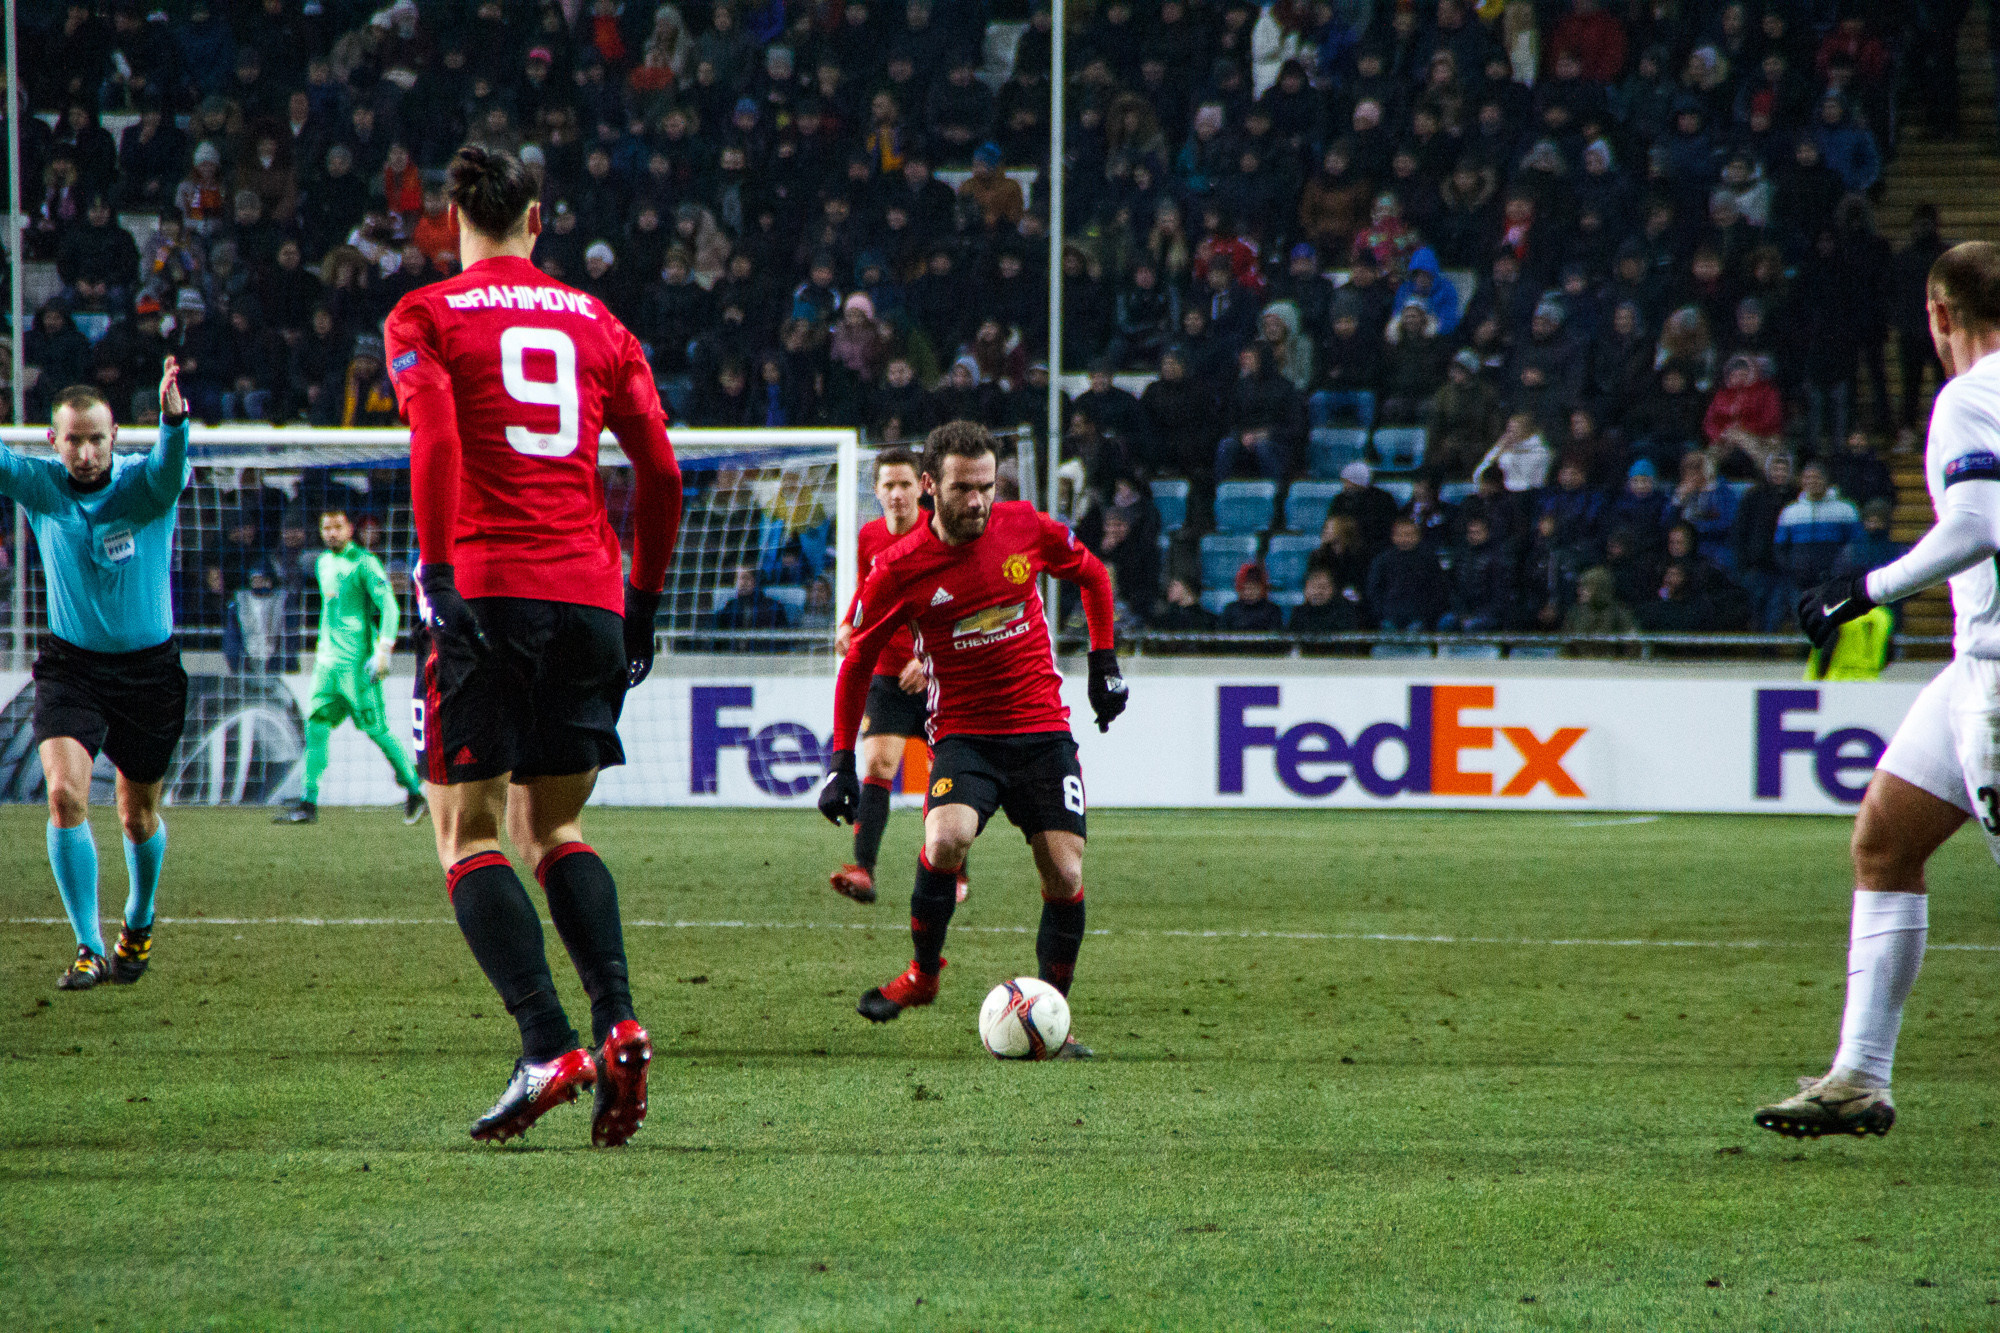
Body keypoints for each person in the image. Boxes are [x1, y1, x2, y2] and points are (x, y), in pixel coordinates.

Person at [383, 146, 685, 1147]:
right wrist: (639, 605)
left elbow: (434, 436)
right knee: (549, 829)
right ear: (538, 219)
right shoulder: (600, 322)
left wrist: (432, 571)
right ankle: (620, 1022)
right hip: (592, 599)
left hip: (488, 589)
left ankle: (546, 1041)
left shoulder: (424, 316)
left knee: (466, 832)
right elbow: (661, 472)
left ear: (449, 219)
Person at [1765, 241, 2000, 1139]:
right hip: (1970, 671)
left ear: (1939, 316)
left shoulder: (1969, 397)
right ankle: (1859, 1075)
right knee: (1884, 840)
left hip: (1999, 677)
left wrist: (1863, 589)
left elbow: (1976, 524)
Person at [818, 421, 1125, 1056]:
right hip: (965, 733)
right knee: (946, 836)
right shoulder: (898, 568)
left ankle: (1051, 1018)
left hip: (1042, 729)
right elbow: (856, 663)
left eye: (987, 486)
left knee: (1066, 874)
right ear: (931, 487)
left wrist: (1103, 663)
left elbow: (1094, 576)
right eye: (963, 489)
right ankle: (924, 976)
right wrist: (839, 762)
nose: (978, 501)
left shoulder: (1026, 527)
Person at [0, 363, 188, 989]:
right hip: (71, 668)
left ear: (115, 438)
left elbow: (167, 466)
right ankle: (88, 944)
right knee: (64, 795)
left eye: (97, 439)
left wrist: (173, 422)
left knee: (137, 815)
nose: (85, 452)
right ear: (52, 442)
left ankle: (139, 917)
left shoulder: (146, 485)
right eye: (72, 439)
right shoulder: (42, 486)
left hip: (150, 674)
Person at [826, 447, 967, 908]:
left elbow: (960, 603)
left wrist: (929, 663)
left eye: (905, 484)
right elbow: (871, 587)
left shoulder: (939, 534)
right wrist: (849, 621)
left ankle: (955, 870)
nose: (897, 493)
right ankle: (863, 869)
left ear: (923, 487)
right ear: (876, 491)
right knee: (879, 767)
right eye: (888, 485)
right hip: (887, 673)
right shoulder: (870, 536)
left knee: (945, 773)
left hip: (938, 674)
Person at [274, 508, 427, 827]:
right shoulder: (321, 563)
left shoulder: (366, 563)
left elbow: (390, 607)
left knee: (376, 731)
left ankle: (414, 790)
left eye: (337, 527)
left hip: (358, 667)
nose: (331, 533)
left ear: (350, 529)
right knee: (315, 727)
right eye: (325, 527)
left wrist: (384, 649)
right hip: (326, 666)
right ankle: (308, 801)